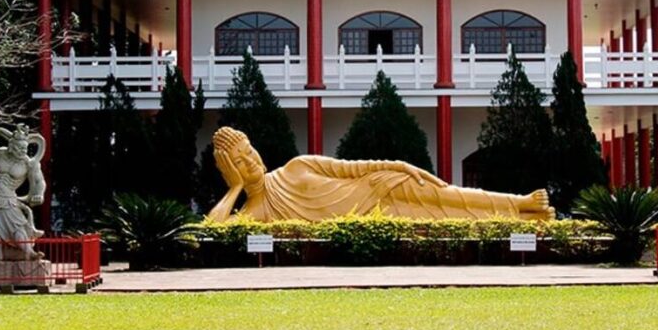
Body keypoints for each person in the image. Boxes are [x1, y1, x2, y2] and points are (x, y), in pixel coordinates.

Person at [206, 127, 555, 222]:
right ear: (228, 170)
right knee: (450, 218)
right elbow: (212, 231)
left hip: (379, 185)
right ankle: (525, 218)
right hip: (380, 215)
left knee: (451, 195)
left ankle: (520, 203)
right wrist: (235, 188)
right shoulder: (258, 211)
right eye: (240, 162)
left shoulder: (297, 166)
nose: (251, 162)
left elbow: (355, 168)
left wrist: (400, 166)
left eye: (250, 152)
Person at [0, 125, 46, 261]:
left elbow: (40, 182)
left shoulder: (29, 163)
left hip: (9, 197)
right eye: (18, 148)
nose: (22, 151)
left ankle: (28, 252)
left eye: (24, 148)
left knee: (18, 224)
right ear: (10, 146)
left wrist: (39, 193)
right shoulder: (0, 153)